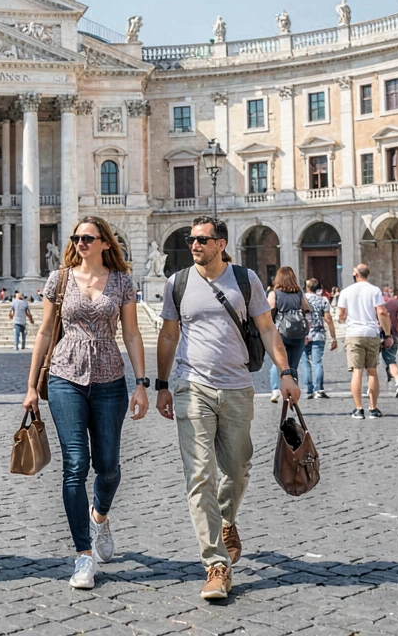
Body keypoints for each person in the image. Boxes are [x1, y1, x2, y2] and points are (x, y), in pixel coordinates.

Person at [155, 216, 299, 601]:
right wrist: (162, 384)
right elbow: (169, 334)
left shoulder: (245, 279)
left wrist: (285, 371)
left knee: (237, 468)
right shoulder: (178, 282)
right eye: (191, 239)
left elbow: (267, 329)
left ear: (220, 243)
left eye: (202, 239)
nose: (195, 245)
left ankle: (227, 520)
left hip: (237, 386)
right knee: (200, 473)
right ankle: (216, 564)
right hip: (191, 385)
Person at [23, 216, 147, 591]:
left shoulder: (123, 282)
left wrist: (141, 383)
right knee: (75, 465)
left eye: (88, 238)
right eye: (76, 237)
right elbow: (45, 331)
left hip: (110, 377)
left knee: (108, 466)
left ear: (106, 243)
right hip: (65, 376)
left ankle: (101, 515)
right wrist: (31, 386)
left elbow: (131, 332)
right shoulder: (59, 279)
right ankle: (83, 555)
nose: (80, 243)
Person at [337, 264, 391, 419]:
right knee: (372, 370)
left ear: (355, 273)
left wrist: (344, 318)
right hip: (371, 332)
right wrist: (387, 334)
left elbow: (341, 314)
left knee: (357, 371)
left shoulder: (346, 291)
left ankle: (358, 409)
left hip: (354, 333)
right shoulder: (374, 290)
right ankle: (373, 409)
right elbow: (381, 311)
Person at [266, 267, 310, 404]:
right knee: (293, 366)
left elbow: (270, 310)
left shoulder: (274, 293)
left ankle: (275, 390)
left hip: (281, 331)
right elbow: (307, 309)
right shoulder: (299, 293)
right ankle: (292, 396)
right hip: (298, 333)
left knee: (278, 361)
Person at [299, 278, 336, 399]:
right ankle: (319, 389)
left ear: (307, 287)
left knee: (305, 363)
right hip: (318, 333)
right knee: (317, 363)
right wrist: (333, 337)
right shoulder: (323, 300)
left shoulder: (301, 299)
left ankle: (308, 390)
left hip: (303, 334)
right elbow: (328, 319)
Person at [380, 286, 398, 398]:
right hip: (393, 333)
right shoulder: (395, 302)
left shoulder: (375, 303)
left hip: (375, 333)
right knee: (391, 360)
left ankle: (370, 388)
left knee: (371, 363)